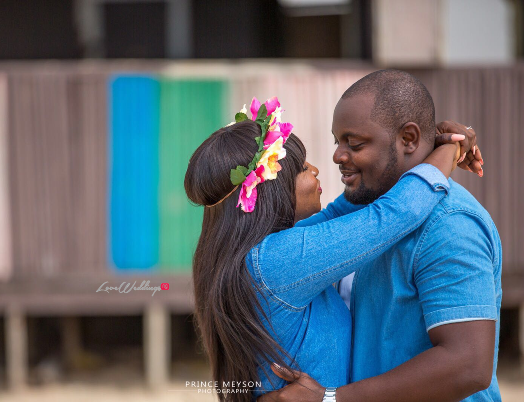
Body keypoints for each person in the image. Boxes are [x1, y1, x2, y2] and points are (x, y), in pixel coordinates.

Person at [184, 94, 480, 402]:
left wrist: (421, 147)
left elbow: (346, 210)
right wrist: (451, 147)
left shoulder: (251, 257)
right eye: (299, 167)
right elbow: (395, 214)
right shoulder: (276, 260)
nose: (314, 168)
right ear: (270, 187)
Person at [260, 70, 501, 402]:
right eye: (337, 142)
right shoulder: (366, 212)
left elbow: (468, 365)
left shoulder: (449, 224)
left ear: (409, 139)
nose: (337, 156)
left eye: (354, 143)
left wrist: (332, 398)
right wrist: (448, 147)